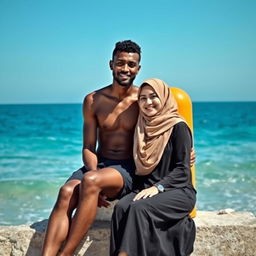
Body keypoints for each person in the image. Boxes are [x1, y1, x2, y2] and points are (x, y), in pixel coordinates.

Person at [42, 40, 195, 256]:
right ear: (111, 64)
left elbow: (164, 125)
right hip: (99, 164)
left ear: (138, 68)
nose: (125, 69)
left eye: (131, 65)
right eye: (120, 63)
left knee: (91, 182)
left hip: (128, 169)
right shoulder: (93, 100)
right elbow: (88, 146)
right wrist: (93, 176)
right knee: (66, 192)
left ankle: (66, 254)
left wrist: (186, 151)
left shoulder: (141, 100)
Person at [110, 78, 197, 256]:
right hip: (146, 187)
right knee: (121, 208)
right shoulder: (141, 128)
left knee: (138, 208)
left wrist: (159, 187)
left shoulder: (178, 127)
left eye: (153, 96)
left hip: (178, 190)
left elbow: (182, 170)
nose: (148, 102)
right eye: (142, 98)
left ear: (164, 98)